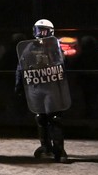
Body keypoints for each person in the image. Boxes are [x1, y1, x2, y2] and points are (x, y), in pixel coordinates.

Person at [15, 19, 71, 163]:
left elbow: (62, 65)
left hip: (51, 88)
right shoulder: (29, 47)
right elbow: (21, 66)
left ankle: (59, 150)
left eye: (44, 31)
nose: (41, 34)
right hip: (37, 86)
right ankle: (46, 147)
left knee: (55, 118)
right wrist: (19, 84)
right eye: (39, 30)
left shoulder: (55, 47)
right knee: (40, 117)